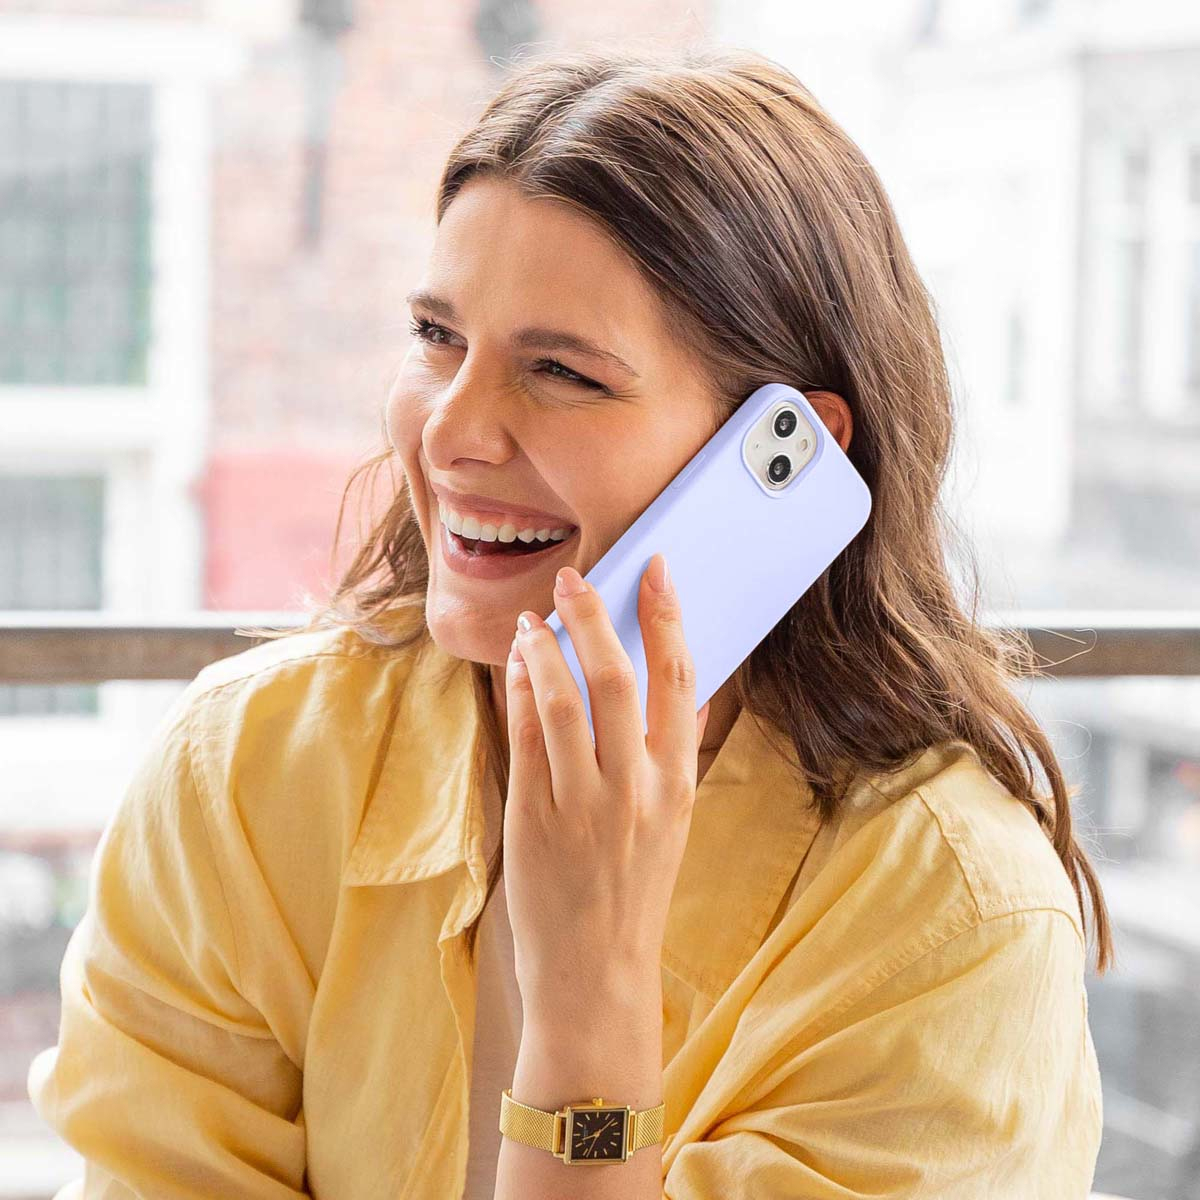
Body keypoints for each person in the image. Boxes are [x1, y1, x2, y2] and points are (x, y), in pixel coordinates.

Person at [28, 41, 1110, 1199]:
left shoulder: (953, 922)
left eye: (563, 373)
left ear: (783, 455)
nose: (451, 434)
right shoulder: (248, 773)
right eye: (437, 337)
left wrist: (590, 1002)